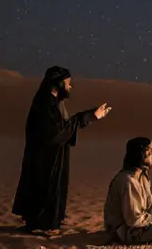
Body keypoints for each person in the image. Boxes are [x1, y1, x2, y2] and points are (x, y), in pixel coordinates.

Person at [11, 66, 111, 234]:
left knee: (53, 187)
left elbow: (63, 128)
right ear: (57, 83)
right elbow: (56, 132)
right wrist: (89, 117)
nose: (70, 87)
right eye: (67, 83)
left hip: (54, 157)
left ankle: (48, 223)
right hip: (44, 159)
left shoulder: (53, 103)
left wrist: (89, 117)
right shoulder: (45, 104)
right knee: (44, 187)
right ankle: (41, 225)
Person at [104, 137, 152, 244]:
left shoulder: (142, 177)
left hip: (139, 225)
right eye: (149, 154)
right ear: (142, 156)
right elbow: (133, 220)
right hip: (126, 232)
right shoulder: (128, 181)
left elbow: (149, 206)